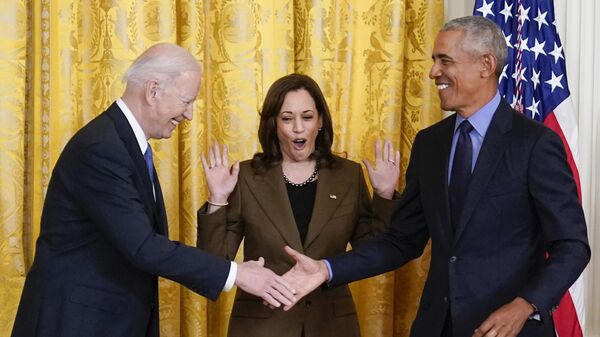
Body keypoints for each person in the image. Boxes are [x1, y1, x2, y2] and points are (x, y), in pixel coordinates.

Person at [281, 16, 591, 337]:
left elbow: (572, 245)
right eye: (433, 61)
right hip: (436, 326)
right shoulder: (430, 143)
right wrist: (327, 269)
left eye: (445, 60)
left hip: (508, 329)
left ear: (485, 65)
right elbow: (402, 240)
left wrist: (525, 305)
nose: (433, 72)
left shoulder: (535, 143)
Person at [10, 43, 296, 337]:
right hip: (75, 323)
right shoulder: (102, 148)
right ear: (153, 91)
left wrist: (218, 200)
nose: (189, 115)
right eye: (186, 101)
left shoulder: (123, 143)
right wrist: (238, 274)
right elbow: (143, 246)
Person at [196, 73, 401, 337]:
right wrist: (218, 199)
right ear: (274, 124)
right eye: (286, 118)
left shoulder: (348, 176)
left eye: (307, 117)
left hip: (332, 326)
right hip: (261, 326)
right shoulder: (246, 176)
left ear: (320, 122)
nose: (298, 128)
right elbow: (214, 264)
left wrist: (385, 195)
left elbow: (372, 255)